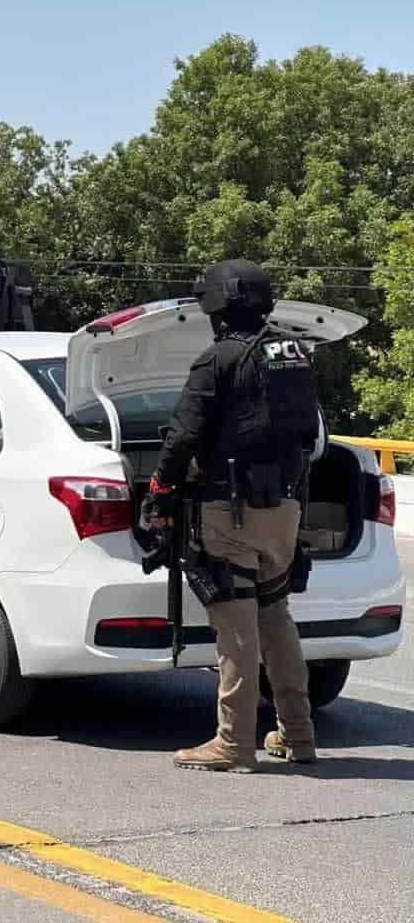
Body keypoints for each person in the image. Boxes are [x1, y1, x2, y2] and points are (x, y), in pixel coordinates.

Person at [148, 259, 319, 773]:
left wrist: (160, 493)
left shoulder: (216, 360)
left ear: (220, 305)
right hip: (284, 510)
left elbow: (181, 438)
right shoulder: (295, 353)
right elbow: (307, 436)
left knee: (237, 629)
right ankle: (298, 734)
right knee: (276, 619)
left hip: (232, 512)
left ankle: (233, 743)